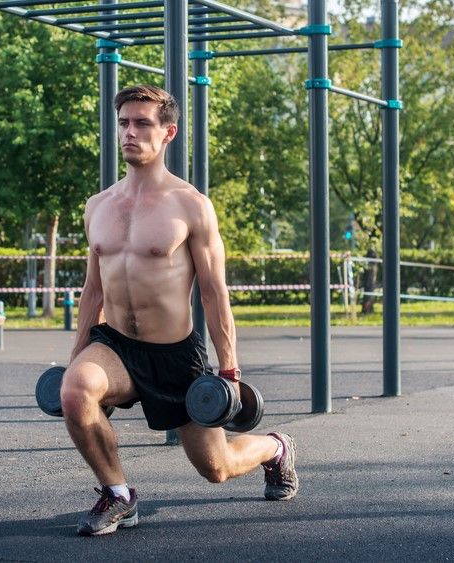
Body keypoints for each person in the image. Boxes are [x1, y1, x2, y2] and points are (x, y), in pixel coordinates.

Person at [62, 85, 299, 537]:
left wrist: (228, 368)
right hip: (115, 344)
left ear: (168, 132)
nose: (130, 133)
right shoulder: (98, 206)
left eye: (143, 123)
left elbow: (213, 291)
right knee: (75, 391)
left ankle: (275, 448)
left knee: (218, 467)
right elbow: (92, 290)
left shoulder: (190, 206)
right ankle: (118, 495)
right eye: (124, 123)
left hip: (174, 353)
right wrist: (77, 353)